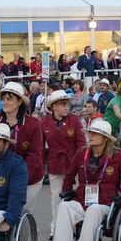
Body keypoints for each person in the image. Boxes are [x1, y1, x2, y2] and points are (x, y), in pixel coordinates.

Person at [48, 120, 121, 241]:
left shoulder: (118, 156)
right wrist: (66, 194)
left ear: (106, 138)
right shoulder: (82, 153)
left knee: (94, 210)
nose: (91, 135)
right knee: (64, 206)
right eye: (90, 132)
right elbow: (68, 178)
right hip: (82, 200)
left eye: (95, 133)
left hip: (105, 204)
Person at [0, 81, 44, 202]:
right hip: (0, 174)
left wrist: (21, 177)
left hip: (28, 177)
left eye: (9, 99)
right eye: (3, 99)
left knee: (21, 210)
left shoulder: (33, 124)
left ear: (19, 101)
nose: (4, 102)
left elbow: (34, 154)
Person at [41, 90, 86, 232]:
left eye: (67, 104)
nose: (66, 107)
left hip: (75, 164)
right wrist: (42, 165)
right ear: (54, 106)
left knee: (77, 196)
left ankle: (76, 226)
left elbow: (82, 144)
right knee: (56, 198)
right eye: (62, 104)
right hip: (55, 164)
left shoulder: (74, 120)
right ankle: (55, 227)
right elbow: (40, 147)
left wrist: (80, 165)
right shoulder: (44, 123)